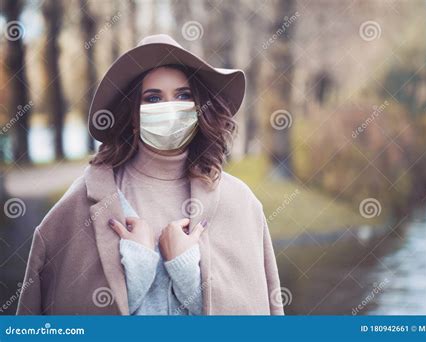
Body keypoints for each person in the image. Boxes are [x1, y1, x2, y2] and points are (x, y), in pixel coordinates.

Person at [17, 34, 284, 315]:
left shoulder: (241, 204)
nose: (169, 108)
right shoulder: (77, 208)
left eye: (183, 95)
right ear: (132, 114)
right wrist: (136, 273)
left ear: (200, 107)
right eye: (153, 98)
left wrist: (187, 275)